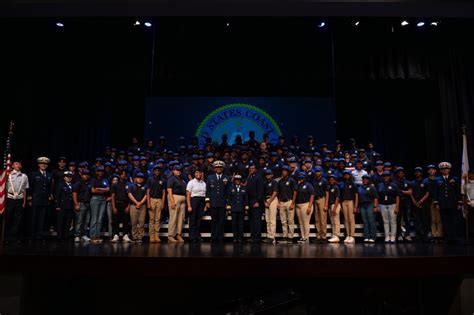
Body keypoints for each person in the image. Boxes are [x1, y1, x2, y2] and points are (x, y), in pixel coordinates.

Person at [432, 162, 463, 243]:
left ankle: (454, 237)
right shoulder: (437, 180)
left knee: (453, 220)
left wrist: (459, 202)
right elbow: (435, 192)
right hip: (442, 203)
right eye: (443, 169)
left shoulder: (455, 179)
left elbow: (458, 191)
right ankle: (447, 237)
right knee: (445, 221)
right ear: (440, 170)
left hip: (453, 203)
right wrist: (436, 203)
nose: (445, 170)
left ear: (449, 170)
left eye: (446, 169)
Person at [205, 160, 230, 243]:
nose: (218, 168)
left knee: (221, 221)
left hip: (223, 203)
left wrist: (228, 203)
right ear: (214, 168)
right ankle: (213, 237)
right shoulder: (210, 177)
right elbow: (207, 190)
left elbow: (228, 191)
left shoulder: (227, 178)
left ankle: (220, 237)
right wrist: (207, 201)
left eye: (220, 167)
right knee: (214, 221)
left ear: (222, 168)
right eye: (217, 167)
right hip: (213, 203)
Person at [29, 157, 53, 240]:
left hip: (45, 199)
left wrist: (50, 195)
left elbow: (50, 187)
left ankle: (39, 234)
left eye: (45, 164)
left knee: (42, 218)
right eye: (42, 163)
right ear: (39, 164)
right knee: (34, 217)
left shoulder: (49, 175)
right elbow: (31, 187)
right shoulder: (34, 174)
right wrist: (30, 198)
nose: (43, 165)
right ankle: (33, 235)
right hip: (36, 198)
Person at [5, 160, 29, 243]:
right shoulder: (8, 175)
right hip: (10, 198)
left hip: (19, 198)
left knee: (18, 219)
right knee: (8, 218)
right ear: (12, 166)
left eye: (19, 164)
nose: (18, 165)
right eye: (16, 163)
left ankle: (15, 237)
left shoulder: (24, 176)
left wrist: (24, 201)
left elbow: (24, 190)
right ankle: (7, 237)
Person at [377, 171, 400, 243]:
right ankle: (387, 236)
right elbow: (377, 197)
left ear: (390, 177)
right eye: (384, 176)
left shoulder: (394, 185)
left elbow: (397, 196)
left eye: (387, 176)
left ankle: (393, 236)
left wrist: (397, 207)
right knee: (385, 221)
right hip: (382, 205)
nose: (386, 177)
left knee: (393, 221)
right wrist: (377, 206)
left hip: (392, 204)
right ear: (383, 177)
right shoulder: (379, 185)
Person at [110, 170, 132, 243]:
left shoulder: (128, 184)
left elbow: (129, 196)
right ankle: (116, 235)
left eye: (124, 174)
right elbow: (113, 196)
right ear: (119, 175)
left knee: (125, 220)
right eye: (122, 174)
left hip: (125, 204)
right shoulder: (115, 185)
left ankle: (125, 235)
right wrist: (113, 207)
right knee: (115, 220)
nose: (123, 175)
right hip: (117, 203)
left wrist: (128, 206)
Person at [166, 165, 187, 243]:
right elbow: (169, 190)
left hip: (182, 198)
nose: (178, 171)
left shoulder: (182, 179)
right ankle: (170, 235)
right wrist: (171, 201)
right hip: (174, 197)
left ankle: (178, 234)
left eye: (179, 170)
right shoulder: (171, 178)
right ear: (173, 171)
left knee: (181, 218)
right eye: (176, 170)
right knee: (173, 217)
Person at [277, 165, 297, 244]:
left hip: (289, 201)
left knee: (290, 220)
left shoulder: (292, 180)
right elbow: (278, 193)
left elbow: (295, 192)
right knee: (283, 221)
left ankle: (290, 237)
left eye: (285, 171)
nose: (283, 172)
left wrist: (293, 203)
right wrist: (278, 202)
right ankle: (285, 236)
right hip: (282, 202)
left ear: (287, 172)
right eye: (282, 171)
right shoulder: (280, 181)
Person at [146, 165, 166, 243]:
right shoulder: (150, 179)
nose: (157, 172)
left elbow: (164, 192)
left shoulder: (163, 180)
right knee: (152, 219)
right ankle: (151, 235)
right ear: (153, 171)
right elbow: (147, 191)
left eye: (158, 170)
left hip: (159, 200)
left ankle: (156, 235)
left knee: (158, 219)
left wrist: (163, 202)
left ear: (160, 171)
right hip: (151, 199)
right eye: (156, 170)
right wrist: (148, 202)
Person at [90, 166, 109, 244]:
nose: (101, 173)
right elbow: (93, 190)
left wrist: (99, 189)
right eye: (99, 171)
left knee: (100, 219)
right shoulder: (93, 180)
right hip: (95, 199)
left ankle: (98, 236)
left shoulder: (105, 180)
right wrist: (102, 190)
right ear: (96, 172)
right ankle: (93, 236)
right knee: (94, 218)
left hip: (103, 199)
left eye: (102, 171)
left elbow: (108, 189)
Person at [226, 174, 249, 243]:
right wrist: (229, 208)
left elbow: (246, 199)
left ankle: (240, 238)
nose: (237, 181)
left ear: (240, 181)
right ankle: (235, 238)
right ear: (234, 181)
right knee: (234, 224)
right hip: (234, 209)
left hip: (241, 209)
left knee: (241, 224)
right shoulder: (231, 188)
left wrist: (246, 208)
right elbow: (229, 198)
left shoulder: (244, 188)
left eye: (239, 180)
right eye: (236, 180)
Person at [186, 168, 206, 243]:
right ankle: (192, 236)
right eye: (196, 172)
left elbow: (204, 195)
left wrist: (204, 206)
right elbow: (188, 195)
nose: (198, 174)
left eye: (199, 172)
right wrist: (189, 205)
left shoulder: (204, 183)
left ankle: (197, 236)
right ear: (194, 174)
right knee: (193, 220)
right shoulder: (191, 182)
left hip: (202, 201)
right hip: (193, 201)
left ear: (201, 174)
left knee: (199, 220)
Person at [411, 167, 431, 243]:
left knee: (425, 219)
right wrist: (415, 202)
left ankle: (425, 235)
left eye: (419, 172)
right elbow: (411, 193)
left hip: (424, 202)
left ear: (421, 173)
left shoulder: (426, 182)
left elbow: (427, 193)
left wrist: (421, 201)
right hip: (415, 202)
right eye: (416, 172)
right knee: (417, 220)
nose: (417, 173)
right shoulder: (412, 183)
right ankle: (418, 235)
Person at [293, 172, 314, 244]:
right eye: (300, 177)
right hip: (298, 205)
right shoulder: (298, 185)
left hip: (306, 204)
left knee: (305, 222)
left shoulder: (308, 185)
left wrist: (309, 206)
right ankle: (303, 236)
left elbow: (312, 195)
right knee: (301, 222)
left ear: (305, 178)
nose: (301, 179)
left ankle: (306, 238)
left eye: (302, 177)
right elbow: (295, 194)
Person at [393, 167, 413, 242]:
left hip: (407, 202)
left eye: (402, 173)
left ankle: (407, 235)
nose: (400, 174)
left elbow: (410, 192)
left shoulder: (408, 182)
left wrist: (401, 191)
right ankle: (399, 235)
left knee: (407, 219)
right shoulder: (394, 182)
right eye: (399, 173)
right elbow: (395, 193)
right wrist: (405, 192)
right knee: (398, 219)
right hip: (398, 202)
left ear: (404, 174)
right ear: (397, 174)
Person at [246, 163, 265, 243]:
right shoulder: (249, 177)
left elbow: (261, 191)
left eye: (253, 168)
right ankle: (253, 236)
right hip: (250, 201)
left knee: (257, 220)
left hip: (256, 201)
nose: (251, 169)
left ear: (256, 169)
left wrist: (258, 201)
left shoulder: (259, 177)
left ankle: (257, 237)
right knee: (251, 220)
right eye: (250, 168)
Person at [72, 169, 92, 242]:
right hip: (80, 203)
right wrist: (76, 204)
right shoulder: (78, 183)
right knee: (79, 221)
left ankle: (83, 235)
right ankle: (77, 235)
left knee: (86, 221)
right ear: (81, 175)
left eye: (87, 174)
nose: (86, 176)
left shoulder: (89, 183)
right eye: (84, 174)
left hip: (88, 203)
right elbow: (74, 194)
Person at [338, 170, 358, 244]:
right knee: (346, 219)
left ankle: (352, 236)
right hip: (344, 202)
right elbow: (340, 195)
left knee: (351, 219)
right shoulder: (341, 184)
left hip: (350, 201)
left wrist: (355, 206)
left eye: (347, 175)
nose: (346, 176)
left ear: (349, 175)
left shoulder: (353, 184)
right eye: (345, 175)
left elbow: (356, 195)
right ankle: (348, 235)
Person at [357, 175, 379, 243]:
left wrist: (375, 206)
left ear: (369, 180)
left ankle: (373, 236)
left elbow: (375, 197)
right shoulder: (360, 187)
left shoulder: (372, 187)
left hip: (370, 204)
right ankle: (367, 236)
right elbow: (357, 197)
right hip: (362, 205)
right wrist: (357, 206)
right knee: (365, 221)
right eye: (363, 179)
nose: (365, 180)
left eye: (366, 179)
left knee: (371, 221)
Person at [128, 173, 148, 243]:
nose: (140, 179)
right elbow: (129, 194)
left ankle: (140, 237)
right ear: (135, 179)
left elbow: (146, 195)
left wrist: (140, 203)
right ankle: (134, 236)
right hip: (133, 205)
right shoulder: (131, 186)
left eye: (141, 178)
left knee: (141, 222)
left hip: (143, 206)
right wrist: (136, 202)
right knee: (134, 222)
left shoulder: (145, 187)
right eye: (138, 177)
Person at [55, 171, 74, 241]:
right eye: (67, 177)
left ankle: (66, 236)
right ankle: (59, 236)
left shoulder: (73, 185)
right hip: (62, 205)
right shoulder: (61, 185)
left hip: (70, 206)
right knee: (60, 221)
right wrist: (57, 205)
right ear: (64, 177)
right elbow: (57, 196)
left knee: (68, 222)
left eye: (70, 177)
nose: (69, 178)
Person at [426, 164, 443, 242]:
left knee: (439, 218)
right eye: (429, 169)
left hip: (438, 200)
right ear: (427, 171)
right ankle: (434, 234)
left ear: (435, 171)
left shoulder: (439, 179)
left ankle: (439, 234)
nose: (431, 170)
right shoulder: (425, 180)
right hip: (430, 201)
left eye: (433, 169)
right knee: (433, 218)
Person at [313, 166, 329, 243]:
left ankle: (324, 236)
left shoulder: (324, 181)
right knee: (317, 219)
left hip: (322, 199)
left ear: (321, 172)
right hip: (315, 200)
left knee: (323, 219)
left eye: (318, 171)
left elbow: (327, 193)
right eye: (316, 171)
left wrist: (326, 204)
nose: (317, 173)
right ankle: (318, 236)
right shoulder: (314, 181)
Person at [263, 169, 278, 244]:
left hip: (273, 199)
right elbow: (263, 194)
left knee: (272, 219)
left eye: (269, 174)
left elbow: (275, 192)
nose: (268, 175)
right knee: (267, 220)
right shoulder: (265, 183)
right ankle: (269, 236)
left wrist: (269, 201)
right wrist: (265, 202)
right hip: (266, 200)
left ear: (272, 175)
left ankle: (272, 237)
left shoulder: (274, 182)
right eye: (267, 174)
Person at [327, 174, 341, 243]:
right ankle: (333, 235)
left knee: (336, 221)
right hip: (330, 205)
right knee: (332, 221)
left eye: (332, 179)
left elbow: (337, 198)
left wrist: (335, 208)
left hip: (335, 205)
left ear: (335, 180)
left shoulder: (336, 187)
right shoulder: (329, 187)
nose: (331, 180)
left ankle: (337, 235)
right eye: (330, 179)